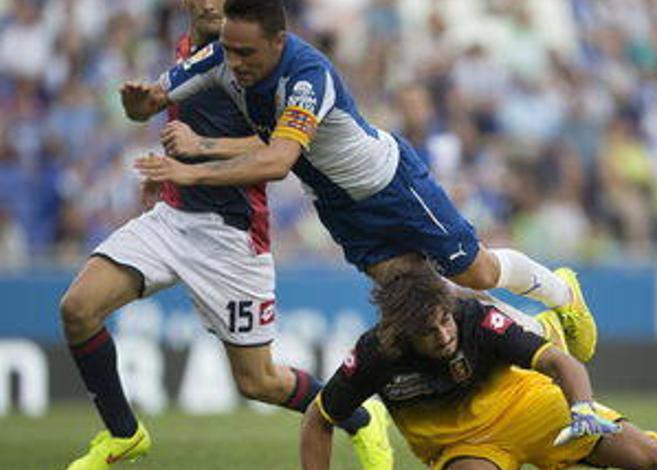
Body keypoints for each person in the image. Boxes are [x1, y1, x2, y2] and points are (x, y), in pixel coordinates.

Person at [122, 0, 598, 364]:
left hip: (392, 187)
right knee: (422, 299)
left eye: (246, 53)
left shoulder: (308, 77)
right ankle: (538, 334)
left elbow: (277, 161)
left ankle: (561, 293)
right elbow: (152, 100)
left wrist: (191, 168)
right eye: (229, 50)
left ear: (278, 43)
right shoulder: (220, 59)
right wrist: (139, 102)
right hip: (339, 207)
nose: (236, 63)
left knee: (475, 272)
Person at [59, 1, 393, 470]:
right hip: (172, 218)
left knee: (259, 382)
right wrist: (163, 159)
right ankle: (123, 434)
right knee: (77, 309)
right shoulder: (186, 53)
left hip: (231, 232)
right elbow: (164, 120)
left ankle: (360, 419)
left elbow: (281, 149)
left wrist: (198, 152)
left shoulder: (251, 62)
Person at [300, 264, 657, 470]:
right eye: (429, 333)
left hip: (531, 409)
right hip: (463, 448)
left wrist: (581, 408)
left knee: (652, 456)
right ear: (404, 334)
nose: (445, 335)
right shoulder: (375, 355)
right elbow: (319, 419)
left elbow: (559, 362)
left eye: (445, 321)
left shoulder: (476, 319)